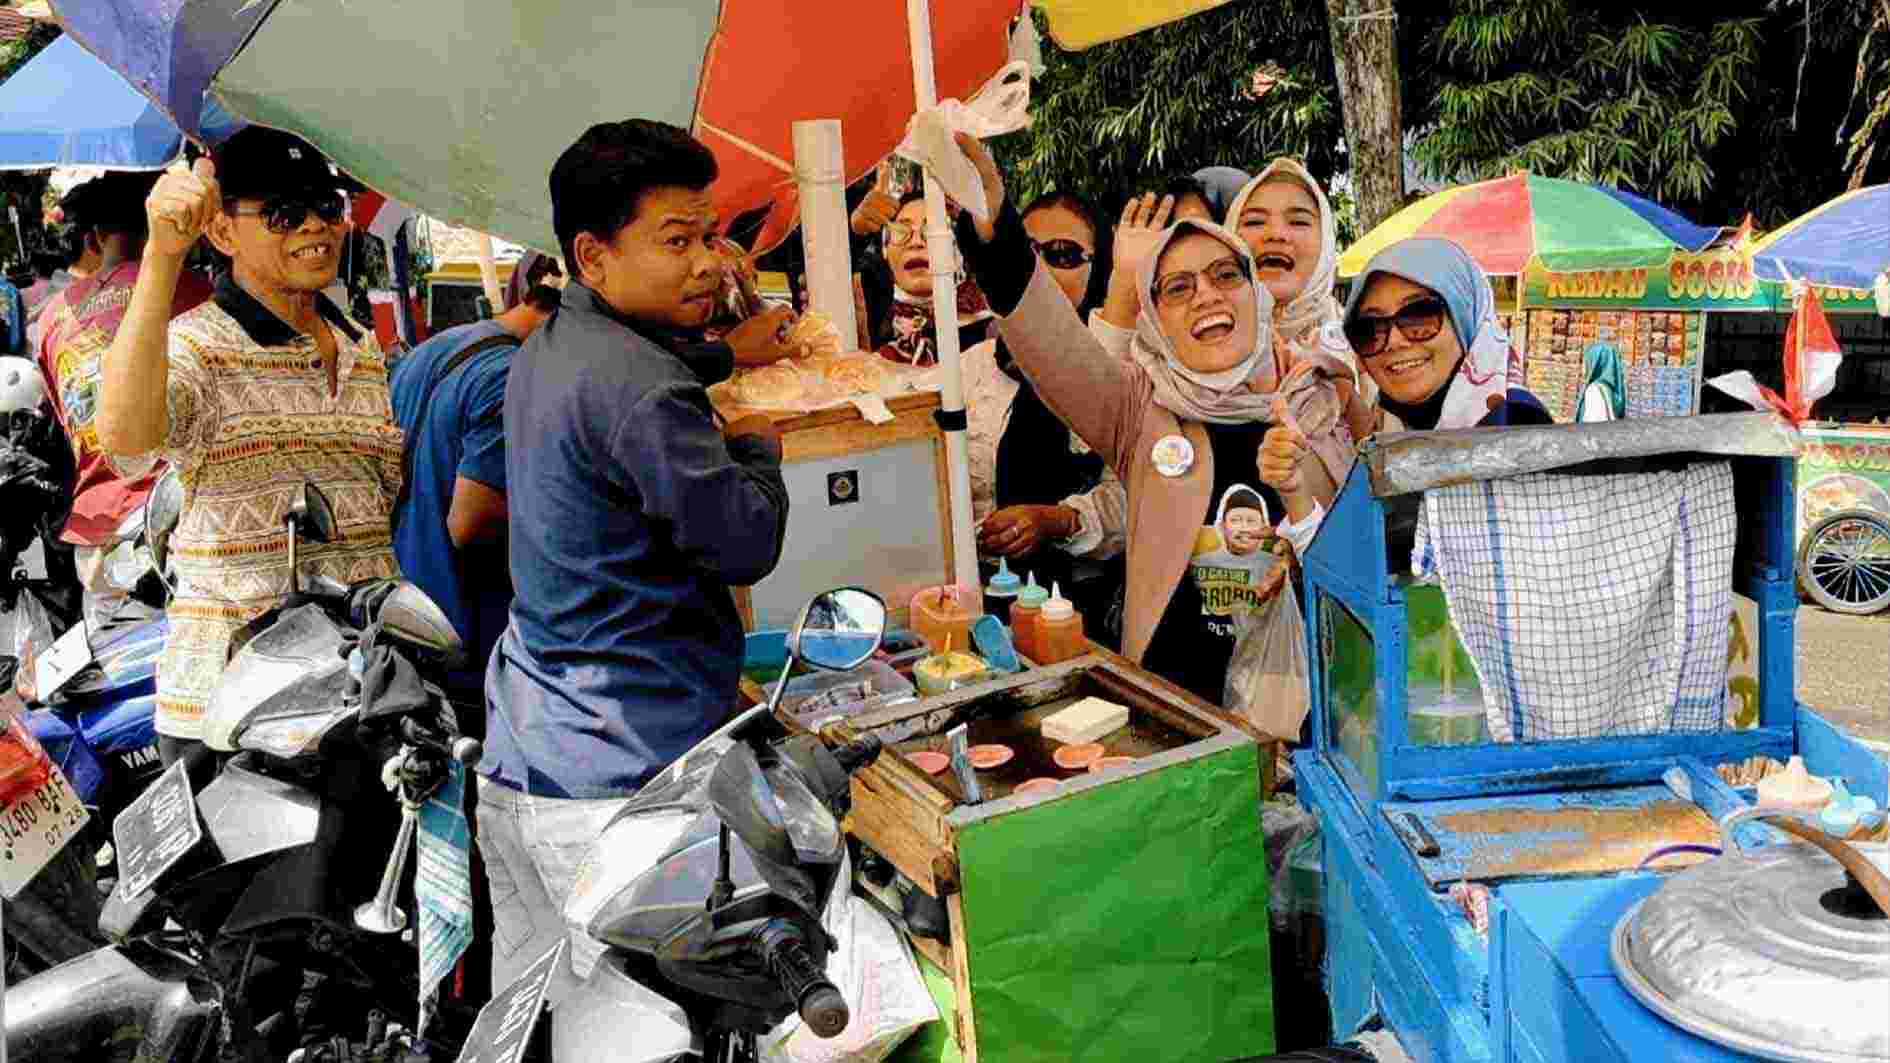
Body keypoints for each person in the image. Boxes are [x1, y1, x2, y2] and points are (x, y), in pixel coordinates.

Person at [479, 119, 790, 993]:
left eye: (712, 234)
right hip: (619, 773)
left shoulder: (549, 347)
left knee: (541, 1017)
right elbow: (744, 541)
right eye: (676, 240)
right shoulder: (643, 385)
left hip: (528, 748)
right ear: (592, 254)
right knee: (638, 1023)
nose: (708, 263)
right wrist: (758, 450)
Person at [947, 132, 1354, 705]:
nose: (1206, 296)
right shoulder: (1142, 410)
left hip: (1319, 716)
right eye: (1177, 288)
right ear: (1156, 319)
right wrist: (992, 222)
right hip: (1177, 706)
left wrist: (1296, 522)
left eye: (1225, 276)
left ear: (1257, 294)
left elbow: (1372, 560)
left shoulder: (1327, 397)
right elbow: (1054, 344)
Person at [94, 128, 402, 780]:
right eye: (286, 213)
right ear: (225, 234)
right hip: (230, 711)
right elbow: (124, 434)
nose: (317, 226)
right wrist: (162, 258)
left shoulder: (361, 346)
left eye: (328, 206)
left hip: (354, 699)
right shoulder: (198, 346)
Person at [1260, 236, 1552, 551]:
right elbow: (1367, 573)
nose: (1396, 341)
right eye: (1370, 328)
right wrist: (1294, 491)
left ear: (1466, 315)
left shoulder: (1514, 426)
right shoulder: (1395, 431)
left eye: (1419, 316)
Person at [35, 172, 214, 625]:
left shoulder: (53, 317)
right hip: (173, 526)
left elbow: (65, 414)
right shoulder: (193, 292)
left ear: (95, 237)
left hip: (94, 529)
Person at [389, 251, 562, 714]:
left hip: (410, 612)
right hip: (471, 632)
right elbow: (471, 519)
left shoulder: (430, 350)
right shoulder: (512, 374)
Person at [969, 190, 1126, 632]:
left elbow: (1134, 500)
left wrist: (1054, 520)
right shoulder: (966, 371)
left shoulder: (1119, 371)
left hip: (1084, 617)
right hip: (973, 610)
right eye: (1027, 251)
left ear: (1099, 270)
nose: (1040, 270)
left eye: (1064, 255)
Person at [873, 190, 994, 364]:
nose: (916, 243)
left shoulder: (993, 327)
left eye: (931, 231)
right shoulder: (865, 316)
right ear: (884, 248)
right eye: (901, 231)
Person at [1576, 340, 1624, 422]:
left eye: (1586, 361)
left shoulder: (1594, 391)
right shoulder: (1609, 391)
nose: (1583, 367)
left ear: (1596, 364)